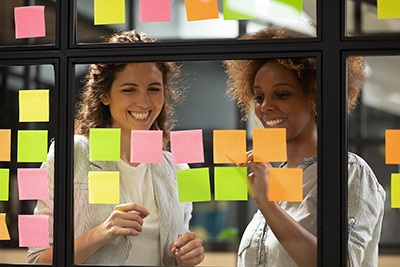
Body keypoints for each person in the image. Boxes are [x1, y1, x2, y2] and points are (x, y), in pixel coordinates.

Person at [27, 30, 205, 266]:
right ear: (105, 96)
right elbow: (36, 259)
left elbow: (172, 256)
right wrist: (101, 233)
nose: (144, 102)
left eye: (154, 89)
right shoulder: (69, 154)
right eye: (129, 89)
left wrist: (186, 258)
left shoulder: (177, 167)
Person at [225, 26, 385, 267]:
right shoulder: (273, 176)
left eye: (281, 94)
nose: (265, 107)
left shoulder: (348, 172)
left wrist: (266, 205)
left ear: (315, 96)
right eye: (259, 97)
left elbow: (341, 262)